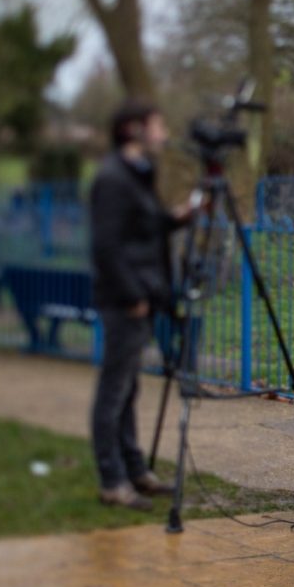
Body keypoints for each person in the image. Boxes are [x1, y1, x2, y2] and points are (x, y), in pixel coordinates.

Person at [89, 99, 191, 511]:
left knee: (129, 389)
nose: (163, 133)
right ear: (134, 130)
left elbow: (144, 227)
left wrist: (180, 216)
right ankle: (112, 479)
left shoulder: (137, 175)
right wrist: (132, 295)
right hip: (125, 300)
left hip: (142, 294)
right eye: (157, 125)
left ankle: (135, 470)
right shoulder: (113, 178)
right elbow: (106, 246)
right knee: (114, 392)